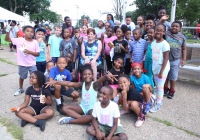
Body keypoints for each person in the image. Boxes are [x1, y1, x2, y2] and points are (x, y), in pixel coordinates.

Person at [46, 64, 117, 124]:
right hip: (82, 107)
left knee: (94, 116)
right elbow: (69, 83)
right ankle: (82, 119)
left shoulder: (94, 85)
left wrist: (106, 76)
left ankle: (71, 121)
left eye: (89, 74)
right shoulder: (81, 84)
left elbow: (100, 80)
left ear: (92, 75)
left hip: (91, 108)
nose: (87, 76)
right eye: (85, 74)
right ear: (82, 76)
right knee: (64, 108)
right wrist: (55, 82)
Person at [5, 25, 40, 96]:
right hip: (22, 64)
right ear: (23, 32)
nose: (29, 33)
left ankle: (35, 89)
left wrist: (29, 52)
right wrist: (7, 31)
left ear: (34, 33)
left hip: (32, 64)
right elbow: (7, 39)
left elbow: (38, 54)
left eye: (32, 32)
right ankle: (20, 89)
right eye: (27, 31)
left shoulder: (35, 42)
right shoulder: (19, 40)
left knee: (35, 77)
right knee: (22, 77)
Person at [149, 24, 170, 112]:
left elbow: (165, 59)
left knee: (160, 87)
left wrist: (161, 72)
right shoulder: (153, 43)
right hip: (155, 68)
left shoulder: (165, 44)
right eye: (157, 30)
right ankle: (159, 101)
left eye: (161, 30)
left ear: (164, 32)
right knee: (157, 86)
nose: (158, 32)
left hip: (163, 69)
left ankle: (157, 105)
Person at [164, 21, 187, 99]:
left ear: (180, 28)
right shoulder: (167, 34)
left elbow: (184, 49)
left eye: (177, 26)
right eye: (173, 26)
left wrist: (183, 59)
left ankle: (172, 89)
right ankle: (165, 88)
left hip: (175, 60)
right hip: (166, 60)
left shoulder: (182, 37)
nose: (174, 27)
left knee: (173, 76)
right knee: (166, 75)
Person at [144, 27, 155, 94]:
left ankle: (152, 92)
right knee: (146, 75)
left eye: (151, 33)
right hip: (146, 61)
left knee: (150, 76)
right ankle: (147, 90)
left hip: (152, 62)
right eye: (148, 32)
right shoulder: (148, 42)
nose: (149, 34)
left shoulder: (156, 42)